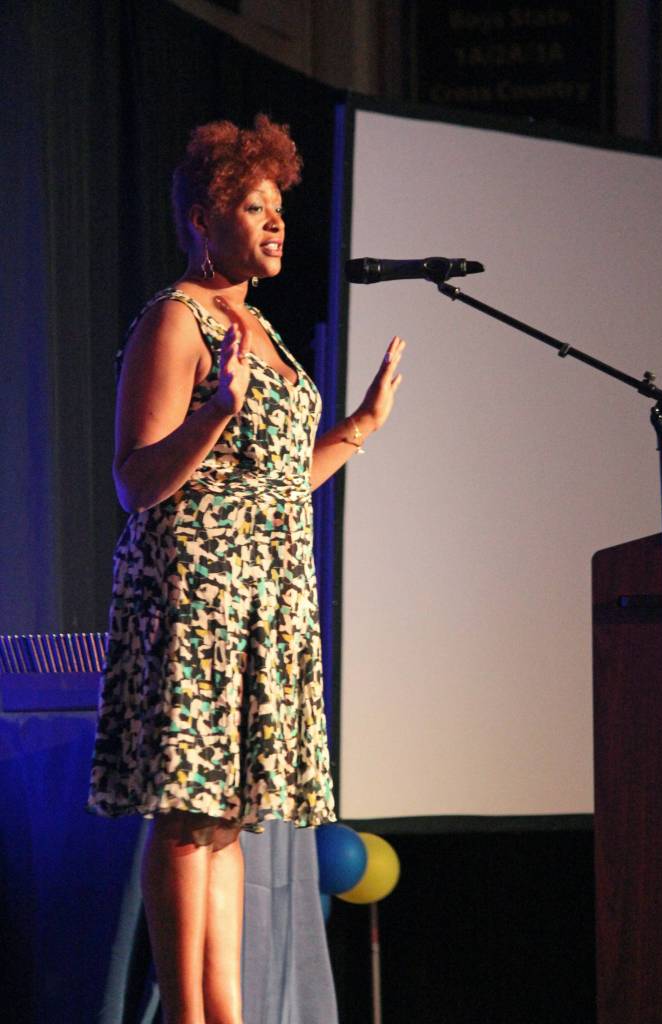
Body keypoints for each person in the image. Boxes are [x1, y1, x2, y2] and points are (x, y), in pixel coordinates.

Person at [88, 114, 405, 1024]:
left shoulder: (254, 327)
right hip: (195, 601)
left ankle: (225, 1012)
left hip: (264, 597)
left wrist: (353, 431)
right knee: (188, 816)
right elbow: (136, 480)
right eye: (252, 206)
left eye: (278, 208)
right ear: (200, 218)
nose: (274, 223)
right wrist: (212, 415)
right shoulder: (176, 318)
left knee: (223, 821)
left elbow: (270, 486)